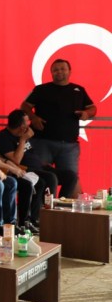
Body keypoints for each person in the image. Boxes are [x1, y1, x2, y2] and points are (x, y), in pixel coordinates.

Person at [21, 58, 95, 198]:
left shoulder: (79, 90)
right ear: (51, 72)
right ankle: (40, 208)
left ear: (69, 71)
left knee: (72, 177)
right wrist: (33, 118)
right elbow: (25, 106)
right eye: (55, 70)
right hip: (42, 142)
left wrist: (87, 114)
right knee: (40, 176)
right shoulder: (41, 89)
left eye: (62, 69)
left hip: (69, 145)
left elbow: (92, 108)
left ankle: (65, 208)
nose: (59, 72)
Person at [0, 110, 72, 225]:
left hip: (39, 166)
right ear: (22, 126)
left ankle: (59, 209)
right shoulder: (3, 137)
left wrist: (42, 163)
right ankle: (40, 217)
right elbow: (16, 160)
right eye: (27, 122)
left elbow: (31, 154)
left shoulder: (23, 133)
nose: (29, 124)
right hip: (25, 168)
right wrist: (23, 140)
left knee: (70, 176)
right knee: (49, 178)